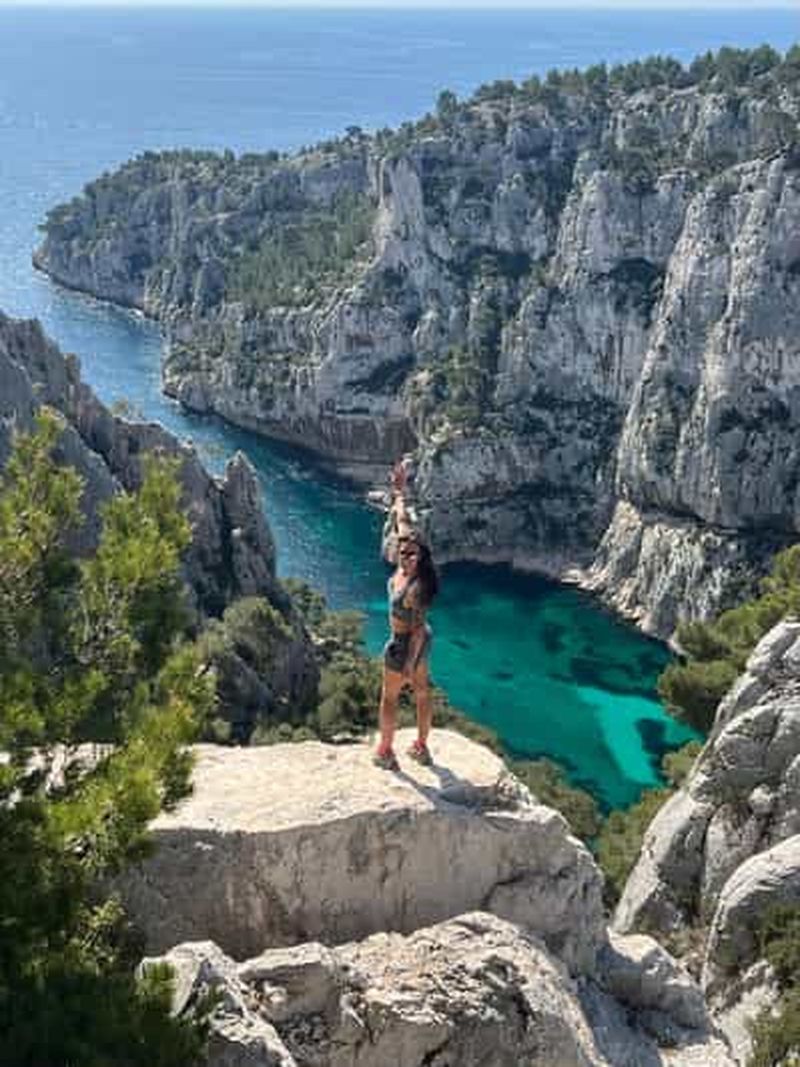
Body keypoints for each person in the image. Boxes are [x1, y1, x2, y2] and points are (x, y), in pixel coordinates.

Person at [374, 458, 439, 770]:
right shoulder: (405, 545)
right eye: (403, 552)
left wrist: (410, 663)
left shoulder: (416, 587)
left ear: (421, 557)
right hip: (416, 641)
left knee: (389, 698)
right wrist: (399, 491)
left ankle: (386, 752)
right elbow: (401, 520)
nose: (407, 556)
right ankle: (421, 747)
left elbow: (418, 630)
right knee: (423, 692)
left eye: (413, 554)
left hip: (405, 643)